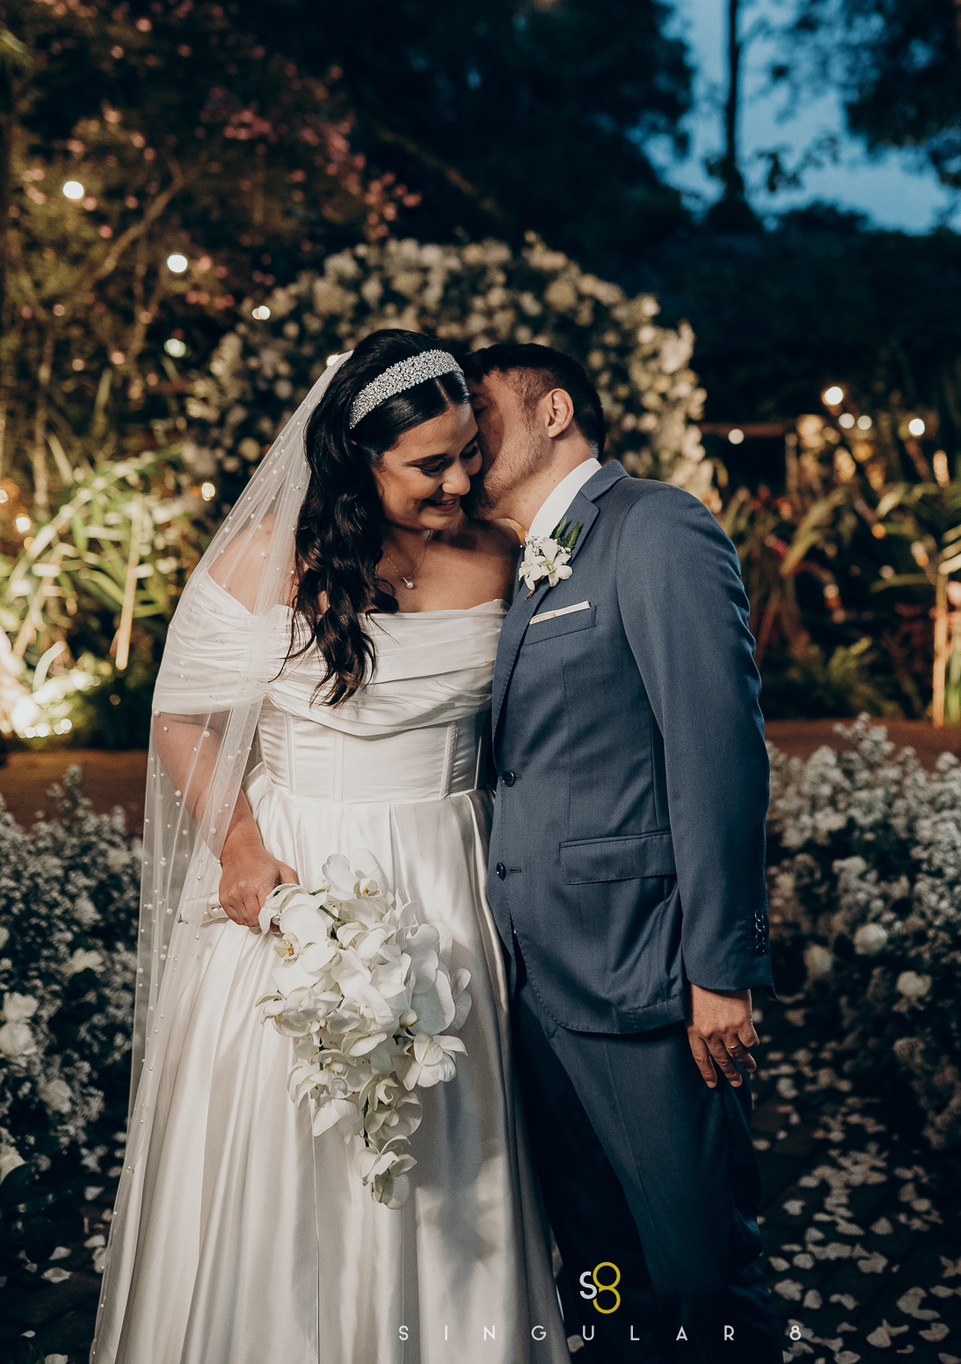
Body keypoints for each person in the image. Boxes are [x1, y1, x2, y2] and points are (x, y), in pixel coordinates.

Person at [92, 332, 570, 1364]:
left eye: (466, 455)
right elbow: (185, 717)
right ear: (357, 460)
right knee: (284, 1137)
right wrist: (242, 848)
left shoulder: (500, 555)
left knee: (453, 1137)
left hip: (448, 869)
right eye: (430, 464)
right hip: (299, 878)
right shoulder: (269, 560)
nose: (460, 480)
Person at [465, 342, 782, 1364]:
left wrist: (720, 971)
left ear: (554, 410)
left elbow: (717, 755)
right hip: (537, 988)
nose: (466, 434)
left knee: (699, 1270)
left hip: (643, 980)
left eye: (484, 410)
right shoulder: (519, 569)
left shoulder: (655, 527)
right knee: (601, 1272)